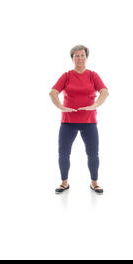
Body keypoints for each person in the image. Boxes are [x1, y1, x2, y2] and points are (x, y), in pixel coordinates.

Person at [49, 45, 109, 194]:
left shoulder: (93, 75)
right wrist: (61, 107)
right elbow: (53, 92)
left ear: (86, 57)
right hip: (68, 122)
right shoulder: (67, 75)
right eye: (76, 56)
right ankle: (64, 183)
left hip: (89, 123)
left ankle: (94, 183)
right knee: (63, 153)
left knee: (93, 153)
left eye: (82, 55)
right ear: (72, 58)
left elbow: (105, 92)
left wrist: (94, 105)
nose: (80, 58)